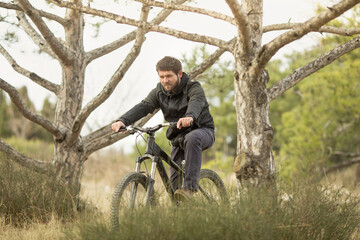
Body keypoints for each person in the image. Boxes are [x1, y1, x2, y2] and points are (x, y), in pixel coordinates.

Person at [111, 56, 215, 201]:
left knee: (192, 138)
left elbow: (196, 102)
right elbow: (144, 106)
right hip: (178, 137)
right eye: (162, 76)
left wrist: (190, 116)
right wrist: (123, 120)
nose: (165, 80)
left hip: (203, 131)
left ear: (179, 74)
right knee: (174, 187)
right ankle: (180, 214)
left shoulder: (193, 87)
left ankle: (190, 188)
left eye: (169, 76)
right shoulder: (159, 92)